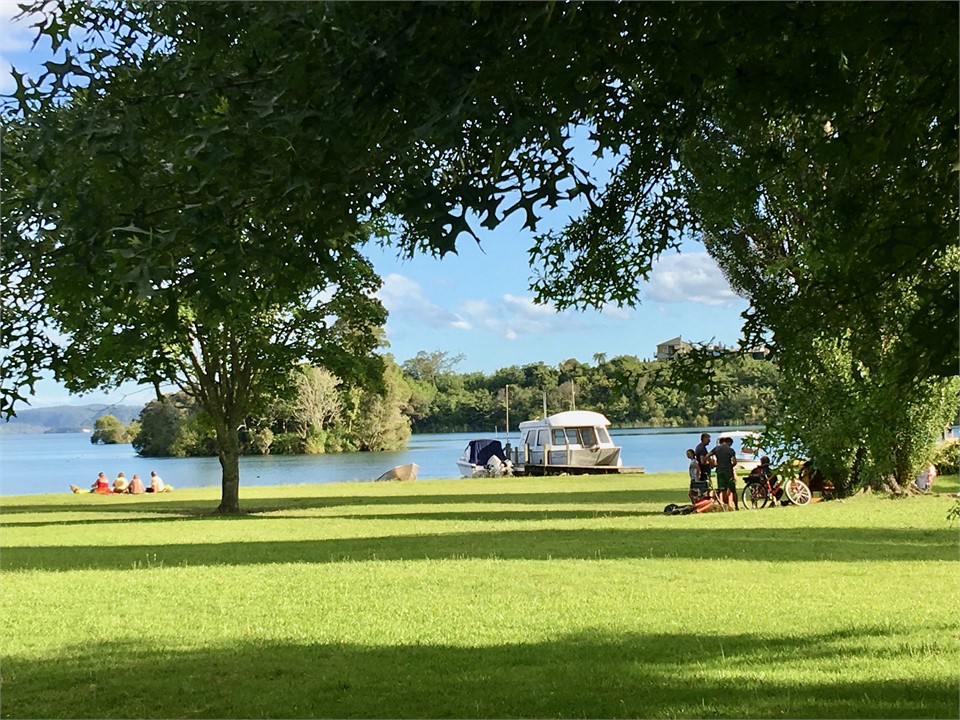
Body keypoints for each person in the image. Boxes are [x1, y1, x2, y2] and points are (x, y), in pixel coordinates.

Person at [709, 436, 739, 510]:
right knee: (733, 490)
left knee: (723, 490)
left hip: (719, 471)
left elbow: (707, 456)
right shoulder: (731, 450)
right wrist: (731, 466)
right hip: (728, 471)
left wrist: (712, 464)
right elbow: (734, 462)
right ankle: (736, 506)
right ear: (729, 443)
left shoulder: (716, 449)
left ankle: (726, 506)